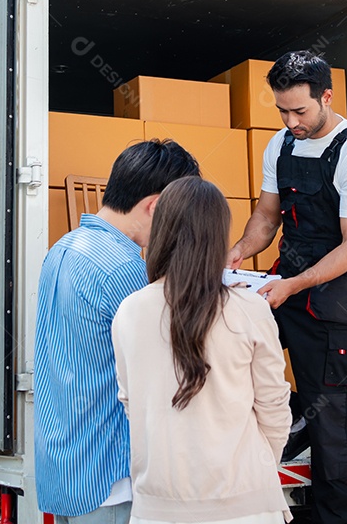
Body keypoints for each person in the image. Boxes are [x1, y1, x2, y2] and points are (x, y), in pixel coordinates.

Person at [227, 51, 347, 524]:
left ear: (326, 96)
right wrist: (237, 253)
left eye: (300, 111)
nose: (291, 121)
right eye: (282, 110)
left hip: (335, 299)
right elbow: (266, 217)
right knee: (233, 344)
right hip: (287, 283)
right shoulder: (280, 145)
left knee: (332, 423)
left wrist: (294, 284)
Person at [35, 140, 200, 524]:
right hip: (111, 477)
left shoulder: (62, 249)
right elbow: (166, 367)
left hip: (70, 473)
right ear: (155, 206)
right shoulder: (124, 269)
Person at [112, 176, 291, 524]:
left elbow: (131, 403)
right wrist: (252, 469)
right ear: (218, 237)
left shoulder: (130, 311)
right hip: (246, 507)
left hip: (158, 509)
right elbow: (274, 408)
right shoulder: (250, 309)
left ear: (161, 231)